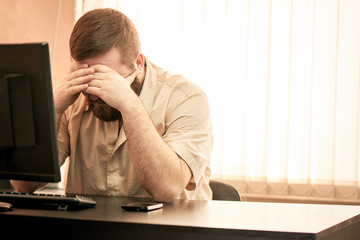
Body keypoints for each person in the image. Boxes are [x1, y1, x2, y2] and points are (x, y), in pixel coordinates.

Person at [11, 8, 213, 202]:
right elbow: (23, 185)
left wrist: (129, 105)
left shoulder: (187, 98)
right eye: (85, 75)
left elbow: (166, 189)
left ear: (138, 63)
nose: (94, 92)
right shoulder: (73, 100)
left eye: (106, 77)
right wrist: (51, 110)